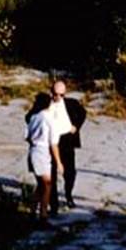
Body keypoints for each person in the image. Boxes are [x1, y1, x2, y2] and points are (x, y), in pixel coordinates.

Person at [48, 79, 87, 214]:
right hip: (52, 142)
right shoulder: (45, 105)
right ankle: (53, 203)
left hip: (68, 141)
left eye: (61, 95)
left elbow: (83, 113)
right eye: (55, 94)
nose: (58, 97)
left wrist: (76, 126)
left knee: (70, 172)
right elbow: (29, 117)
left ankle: (68, 194)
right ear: (51, 92)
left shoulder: (71, 103)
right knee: (51, 173)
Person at [24, 92, 63, 223]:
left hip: (33, 151)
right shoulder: (49, 120)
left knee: (41, 185)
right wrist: (58, 162)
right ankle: (43, 214)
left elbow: (27, 137)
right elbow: (53, 144)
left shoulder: (34, 118)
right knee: (47, 185)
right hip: (42, 152)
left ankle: (33, 211)